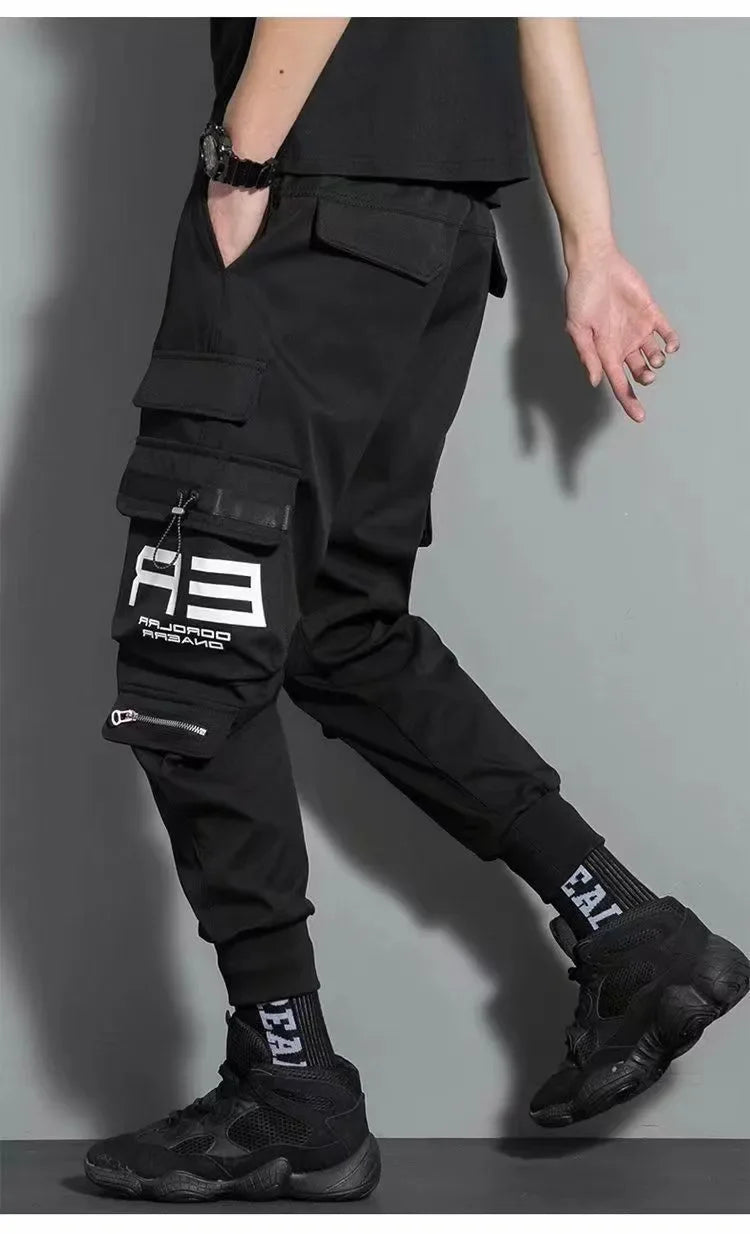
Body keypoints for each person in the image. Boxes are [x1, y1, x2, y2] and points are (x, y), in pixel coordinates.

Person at [85, 17, 748, 1203]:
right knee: (339, 628)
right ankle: (629, 931)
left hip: (308, 200)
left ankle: (290, 1083)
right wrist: (592, 242)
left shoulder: (273, 168)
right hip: (436, 235)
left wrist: (243, 158)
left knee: (192, 649)